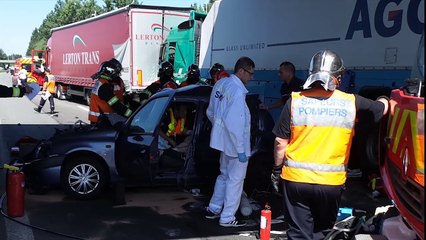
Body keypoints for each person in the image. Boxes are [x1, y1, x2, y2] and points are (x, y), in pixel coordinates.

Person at [270, 50, 394, 240]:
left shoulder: (295, 100)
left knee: (298, 234)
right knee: (322, 233)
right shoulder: (351, 102)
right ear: (338, 78)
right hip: (330, 184)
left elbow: (280, 142)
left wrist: (277, 171)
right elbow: (383, 109)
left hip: (296, 181)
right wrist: (384, 99)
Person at [205, 56, 255, 227]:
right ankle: (227, 218)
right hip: (235, 146)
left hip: (223, 143)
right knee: (235, 180)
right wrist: (241, 149)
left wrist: (220, 134)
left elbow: (211, 112)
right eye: (250, 73)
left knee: (224, 175)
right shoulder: (237, 91)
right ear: (241, 70)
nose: (251, 77)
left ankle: (214, 208)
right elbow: (235, 124)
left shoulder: (221, 84)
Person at [88, 59, 133, 124]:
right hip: (100, 121)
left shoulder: (114, 82)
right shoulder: (104, 86)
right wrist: (131, 114)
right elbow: (115, 104)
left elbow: (122, 97)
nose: (118, 75)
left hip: (111, 119)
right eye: (117, 73)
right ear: (110, 72)